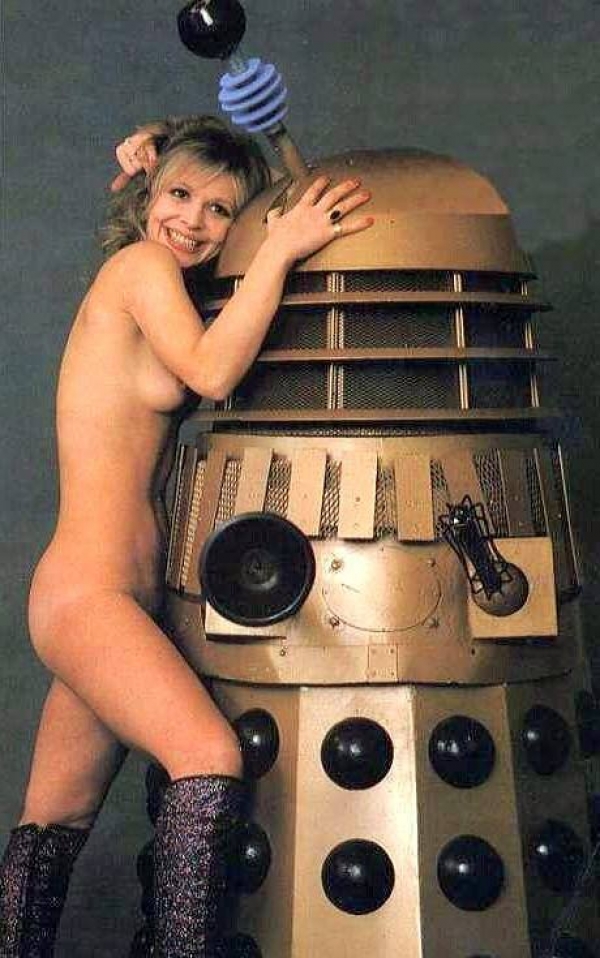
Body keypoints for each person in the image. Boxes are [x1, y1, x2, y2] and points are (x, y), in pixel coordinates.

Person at [0, 114, 372, 958]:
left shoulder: (174, 287)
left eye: (218, 210)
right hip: (86, 596)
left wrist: (177, 138)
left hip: (121, 600)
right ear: (145, 198)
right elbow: (210, 369)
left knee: (56, 818)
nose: (191, 221)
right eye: (177, 195)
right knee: (207, 755)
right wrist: (277, 250)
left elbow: (294, 203)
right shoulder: (139, 268)